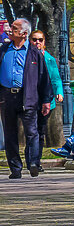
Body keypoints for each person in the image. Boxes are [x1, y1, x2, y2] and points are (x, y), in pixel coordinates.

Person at [0, 18, 53, 179]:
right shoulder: (3, 49)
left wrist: (46, 100)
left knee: (32, 132)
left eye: (14, 28)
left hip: (28, 96)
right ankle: (15, 168)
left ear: (23, 33)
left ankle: (33, 163)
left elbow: (44, 78)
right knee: (10, 133)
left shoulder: (34, 52)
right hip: (7, 97)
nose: (9, 30)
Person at [30, 29, 64, 157]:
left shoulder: (49, 59)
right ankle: (30, 158)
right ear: (30, 41)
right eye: (34, 39)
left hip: (45, 100)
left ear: (44, 42)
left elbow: (55, 78)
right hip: (29, 99)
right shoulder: (26, 56)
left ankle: (36, 160)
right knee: (30, 130)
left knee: (40, 130)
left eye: (40, 40)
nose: (37, 42)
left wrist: (59, 92)